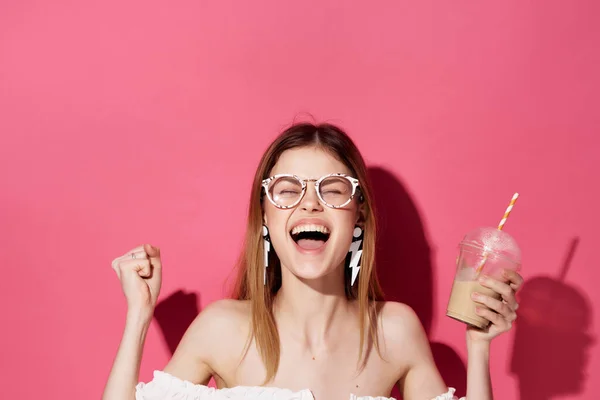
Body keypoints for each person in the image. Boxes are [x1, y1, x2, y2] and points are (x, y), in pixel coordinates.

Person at [102, 122, 523, 400]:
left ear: (358, 213)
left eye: (333, 189)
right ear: (264, 216)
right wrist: (139, 315)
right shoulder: (223, 328)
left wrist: (479, 347)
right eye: (287, 190)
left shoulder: (395, 331)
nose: (310, 204)